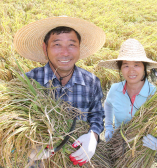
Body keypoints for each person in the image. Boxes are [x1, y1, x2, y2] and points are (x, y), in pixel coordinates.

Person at [13, 16, 106, 166]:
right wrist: (26, 147)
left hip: (77, 159)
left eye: (71, 44)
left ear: (79, 48)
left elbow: (97, 115)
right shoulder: (28, 82)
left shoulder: (91, 82)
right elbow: (12, 123)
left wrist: (93, 136)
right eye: (57, 45)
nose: (65, 52)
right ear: (45, 49)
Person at [98, 38, 157, 150]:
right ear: (120, 69)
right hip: (117, 145)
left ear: (145, 68)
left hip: (143, 149)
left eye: (136, 65)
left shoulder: (155, 95)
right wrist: (109, 127)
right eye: (126, 65)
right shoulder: (115, 89)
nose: (131, 71)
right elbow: (108, 104)